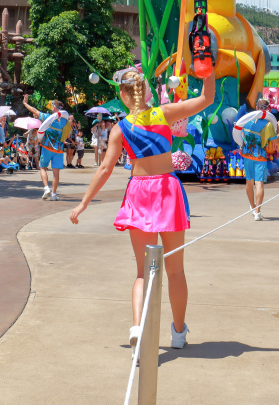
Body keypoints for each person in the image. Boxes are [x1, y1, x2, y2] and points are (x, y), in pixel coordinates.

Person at [70, 68, 215, 351]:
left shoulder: (120, 128)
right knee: (175, 271)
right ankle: (178, 332)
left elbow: (105, 168)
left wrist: (84, 202)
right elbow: (207, 98)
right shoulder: (163, 114)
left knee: (142, 272)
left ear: (122, 95)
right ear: (146, 91)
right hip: (167, 190)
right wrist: (207, 66)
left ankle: (138, 327)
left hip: (139, 192)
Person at [22, 97, 71, 200]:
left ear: (54, 108)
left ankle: (46, 188)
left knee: (42, 168)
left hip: (46, 147)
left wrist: (25, 103)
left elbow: (34, 111)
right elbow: (67, 135)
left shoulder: (48, 117)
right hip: (58, 150)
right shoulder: (65, 122)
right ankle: (54, 194)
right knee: (56, 172)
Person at [238, 98, 279, 221]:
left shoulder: (247, 120)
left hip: (247, 155)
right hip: (260, 156)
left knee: (249, 182)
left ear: (256, 108)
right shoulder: (269, 125)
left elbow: (241, 135)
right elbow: (274, 143)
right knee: (259, 183)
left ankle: (252, 206)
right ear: (267, 110)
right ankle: (257, 212)